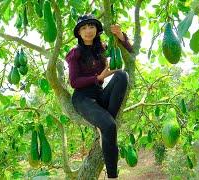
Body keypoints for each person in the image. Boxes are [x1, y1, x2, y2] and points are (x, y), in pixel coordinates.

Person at [65, 14, 133, 179]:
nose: (88, 31)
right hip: (83, 99)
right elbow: (74, 82)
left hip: (100, 96)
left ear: (97, 29)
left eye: (91, 26)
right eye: (84, 28)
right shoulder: (75, 53)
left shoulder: (102, 48)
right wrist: (98, 78)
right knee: (110, 126)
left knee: (122, 75)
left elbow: (131, 50)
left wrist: (120, 35)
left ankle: (104, 123)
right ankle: (112, 176)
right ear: (79, 33)